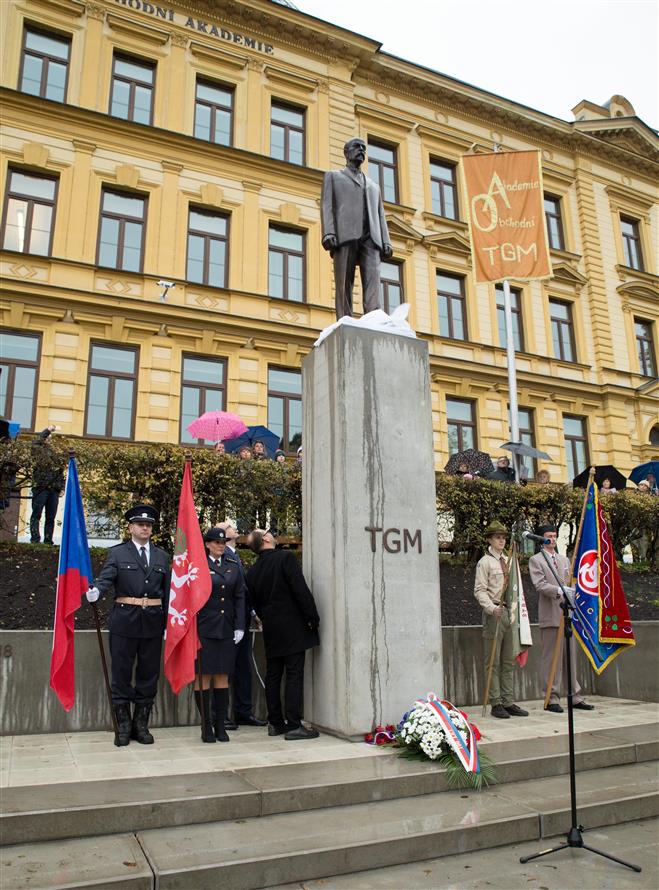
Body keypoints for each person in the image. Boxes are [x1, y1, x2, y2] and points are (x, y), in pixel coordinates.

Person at [86, 505, 170, 746]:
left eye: (149, 525)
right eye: (140, 524)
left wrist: (167, 625)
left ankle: (140, 725)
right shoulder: (118, 553)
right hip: (125, 621)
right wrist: (97, 591)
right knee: (122, 673)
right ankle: (122, 726)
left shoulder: (162, 556)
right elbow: (107, 578)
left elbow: (168, 592)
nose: (145, 527)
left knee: (148, 674)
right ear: (130, 527)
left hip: (153, 622)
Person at [246, 529, 320, 740]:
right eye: (269, 532)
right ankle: (295, 725)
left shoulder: (252, 571)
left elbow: (256, 604)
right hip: (293, 627)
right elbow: (300, 590)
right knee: (294, 674)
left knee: (274, 674)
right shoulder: (285, 558)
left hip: (271, 629)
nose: (272, 534)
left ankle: (275, 723)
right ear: (267, 539)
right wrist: (313, 618)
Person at [321, 137, 393, 319]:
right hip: (345, 234)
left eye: (363, 148)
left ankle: (374, 316)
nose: (361, 150)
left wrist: (386, 240)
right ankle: (344, 318)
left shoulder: (373, 185)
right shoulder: (333, 176)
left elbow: (380, 214)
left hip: (371, 237)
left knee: (373, 278)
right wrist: (329, 232)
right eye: (357, 147)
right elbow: (327, 206)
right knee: (344, 280)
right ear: (346, 152)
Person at [528, 524, 594, 714]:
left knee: (570, 658)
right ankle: (551, 697)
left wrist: (571, 590)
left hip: (567, 614)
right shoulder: (536, 560)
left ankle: (575, 695)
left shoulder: (564, 559)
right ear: (541, 539)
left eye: (555, 536)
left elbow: (569, 581)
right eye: (549, 536)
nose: (553, 539)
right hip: (550, 614)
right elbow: (540, 585)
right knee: (552, 659)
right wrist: (558, 590)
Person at [194, 527, 246, 743]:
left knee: (223, 675)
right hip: (204, 628)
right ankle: (206, 726)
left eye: (223, 543)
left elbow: (240, 596)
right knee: (204, 675)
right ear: (207, 544)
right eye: (216, 542)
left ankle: (220, 724)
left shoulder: (233, 566)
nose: (221, 546)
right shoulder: (197, 566)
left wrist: (239, 625)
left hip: (225, 628)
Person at [474, 521, 528, 719]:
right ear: (489, 539)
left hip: (510, 613)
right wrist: (491, 608)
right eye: (497, 537)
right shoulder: (485, 562)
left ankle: (508, 700)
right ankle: (495, 702)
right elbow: (479, 590)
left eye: (504, 537)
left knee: (508, 660)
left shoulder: (509, 560)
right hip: (494, 613)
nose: (501, 540)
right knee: (493, 661)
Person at [218, 521, 267, 730]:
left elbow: (244, 590)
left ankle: (243, 712)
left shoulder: (235, 555)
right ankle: (223, 715)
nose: (233, 527)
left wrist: (253, 612)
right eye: (229, 526)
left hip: (242, 619)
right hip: (228, 621)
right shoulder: (221, 555)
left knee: (243, 668)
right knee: (225, 670)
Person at [30, 426, 65, 544]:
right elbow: (36, 441)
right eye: (47, 437)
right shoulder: (38, 450)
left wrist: (62, 487)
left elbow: (60, 472)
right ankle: (35, 539)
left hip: (53, 489)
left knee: (51, 517)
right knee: (37, 513)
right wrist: (48, 430)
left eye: (50, 438)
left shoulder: (55, 455)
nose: (49, 440)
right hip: (40, 487)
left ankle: (48, 540)